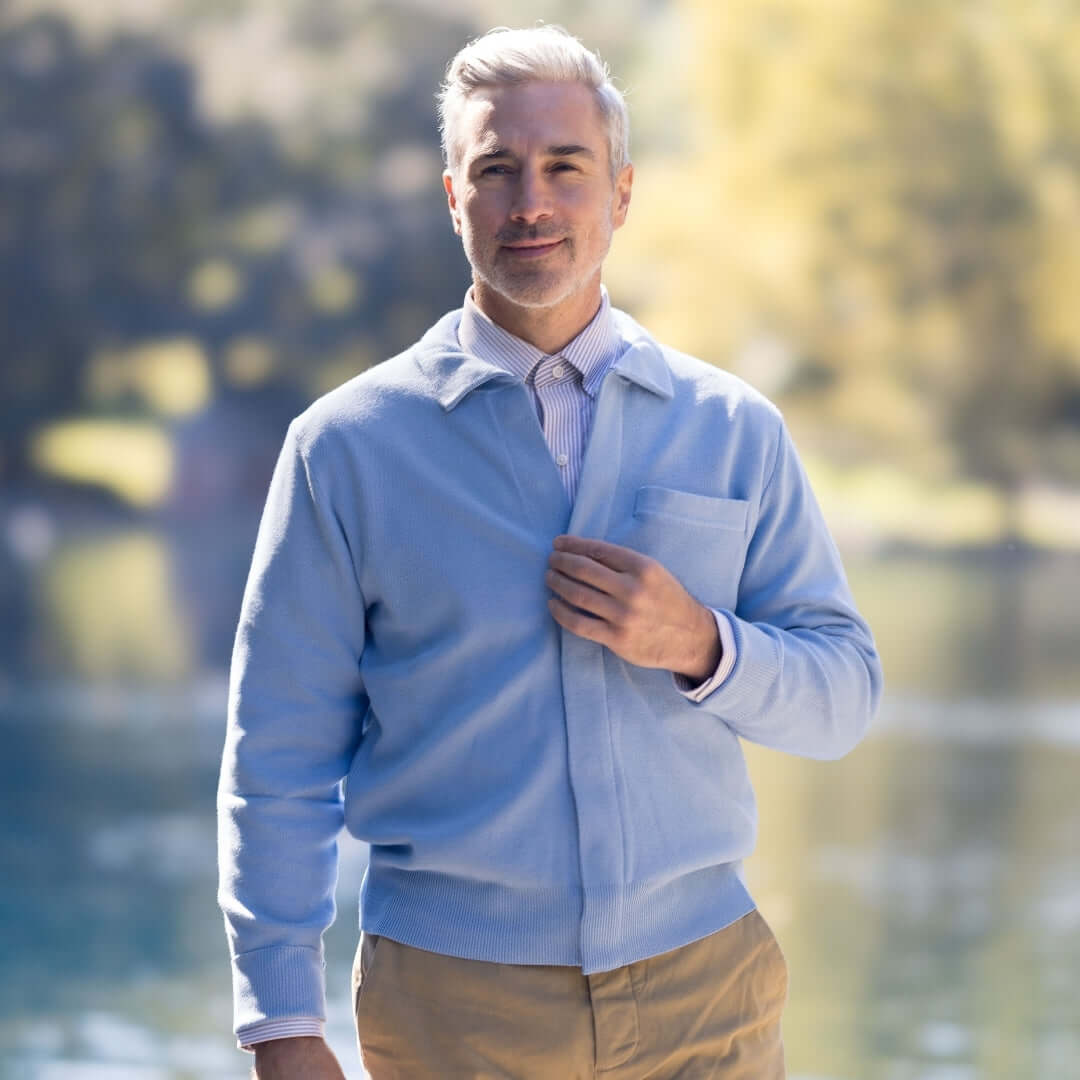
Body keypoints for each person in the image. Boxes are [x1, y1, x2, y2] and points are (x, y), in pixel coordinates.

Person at [218, 24, 882, 1080]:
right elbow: (278, 758)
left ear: (621, 193)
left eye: (566, 167)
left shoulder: (733, 429)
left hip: (708, 995)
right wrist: (282, 1022)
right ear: (454, 198)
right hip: (453, 1010)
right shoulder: (345, 449)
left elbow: (843, 694)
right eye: (497, 170)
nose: (531, 201)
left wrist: (702, 644)